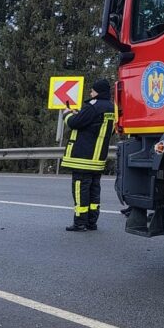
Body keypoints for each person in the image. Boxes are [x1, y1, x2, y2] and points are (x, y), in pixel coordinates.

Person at [60, 78, 115, 232]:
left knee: (80, 190)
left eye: (92, 90)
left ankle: (80, 223)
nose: (90, 93)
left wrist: (67, 114)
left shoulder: (93, 106)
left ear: (98, 92)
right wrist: (80, 114)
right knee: (94, 191)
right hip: (98, 159)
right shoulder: (112, 108)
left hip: (83, 158)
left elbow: (74, 123)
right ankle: (92, 222)